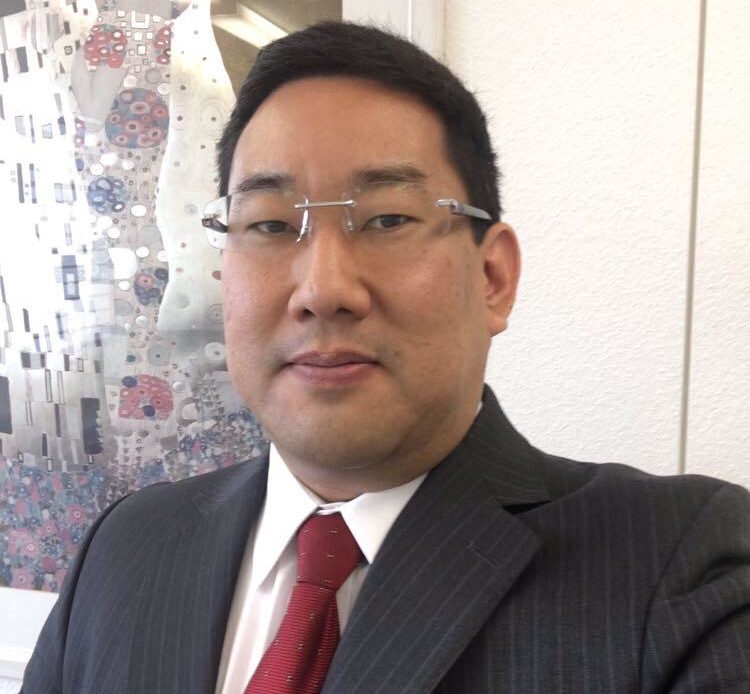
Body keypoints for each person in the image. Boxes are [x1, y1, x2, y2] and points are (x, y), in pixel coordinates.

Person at [21, 21, 750, 694]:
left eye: (389, 219)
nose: (322, 290)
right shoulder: (127, 547)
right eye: (270, 224)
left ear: (493, 278)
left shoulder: (678, 569)